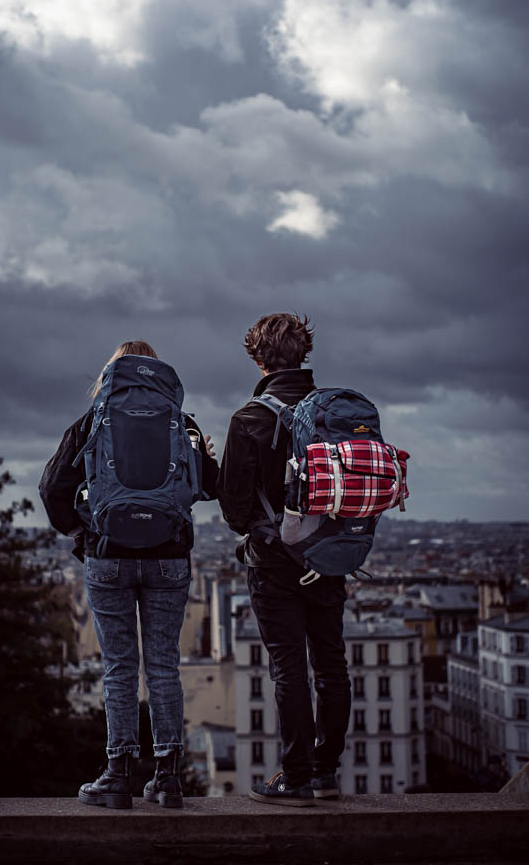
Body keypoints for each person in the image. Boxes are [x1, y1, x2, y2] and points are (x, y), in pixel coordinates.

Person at [39, 340, 218, 809]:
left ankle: (117, 774)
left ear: (110, 373)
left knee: (119, 667)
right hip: (168, 557)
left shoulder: (92, 421)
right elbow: (214, 486)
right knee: (163, 665)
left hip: (108, 555)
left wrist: (83, 535)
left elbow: (52, 488)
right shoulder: (184, 422)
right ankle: (167, 777)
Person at [216, 313, 351, 806]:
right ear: (303, 354)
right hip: (330, 555)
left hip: (274, 562)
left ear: (257, 359)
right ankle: (326, 773)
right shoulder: (332, 412)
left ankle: (293, 778)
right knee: (331, 664)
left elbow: (233, 509)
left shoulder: (249, 419)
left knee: (288, 667)